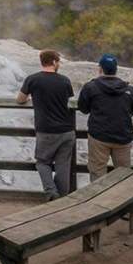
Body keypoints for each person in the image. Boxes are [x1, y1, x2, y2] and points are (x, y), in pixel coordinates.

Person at [17, 50, 76, 200]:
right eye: (59, 62)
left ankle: (51, 194)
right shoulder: (65, 80)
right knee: (63, 166)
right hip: (67, 130)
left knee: (43, 163)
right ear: (55, 62)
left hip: (46, 130)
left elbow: (20, 99)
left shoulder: (33, 79)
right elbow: (68, 100)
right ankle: (61, 201)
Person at [77, 54, 133, 179]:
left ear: (100, 69)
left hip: (99, 135)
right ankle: (123, 198)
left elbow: (83, 109)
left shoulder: (90, 87)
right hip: (123, 135)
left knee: (97, 171)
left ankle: (98, 198)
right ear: (116, 69)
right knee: (124, 174)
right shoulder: (129, 89)